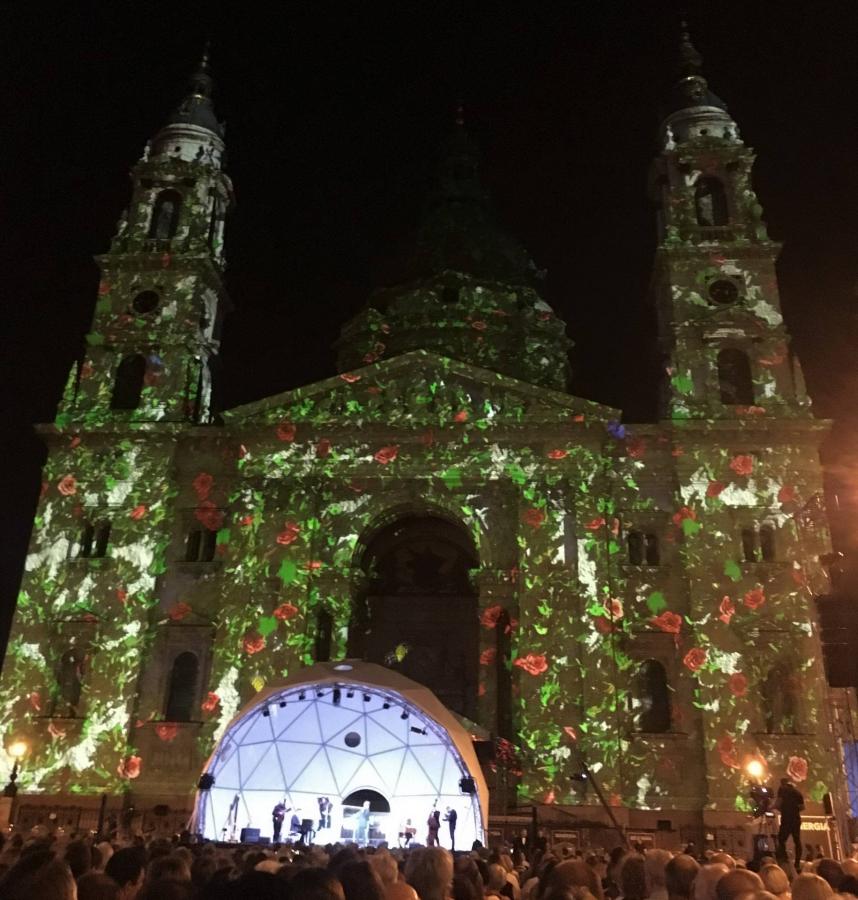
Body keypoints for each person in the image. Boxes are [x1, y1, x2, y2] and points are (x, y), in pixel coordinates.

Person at [774, 777, 804, 869]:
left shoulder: (782, 789)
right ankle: (797, 863)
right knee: (797, 840)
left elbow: (778, 803)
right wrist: (793, 809)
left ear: (782, 783)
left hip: (786, 818)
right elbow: (802, 807)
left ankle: (784, 859)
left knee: (781, 839)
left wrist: (778, 808)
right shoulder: (797, 792)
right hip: (796, 819)